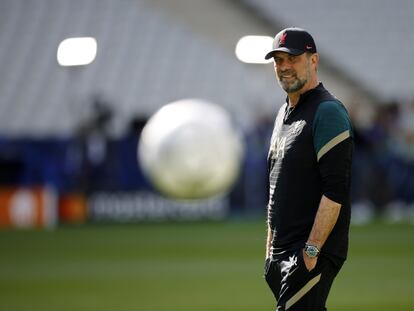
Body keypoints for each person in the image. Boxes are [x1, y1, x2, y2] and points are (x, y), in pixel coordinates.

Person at [263, 27, 353, 311]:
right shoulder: (283, 113)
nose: (284, 66)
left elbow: (336, 189)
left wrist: (311, 251)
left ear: (313, 60)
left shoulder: (327, 112)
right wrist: (269, 250)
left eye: (293, 58)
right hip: (281, 254)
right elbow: (276, 186)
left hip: (309, 251)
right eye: (278, 60)